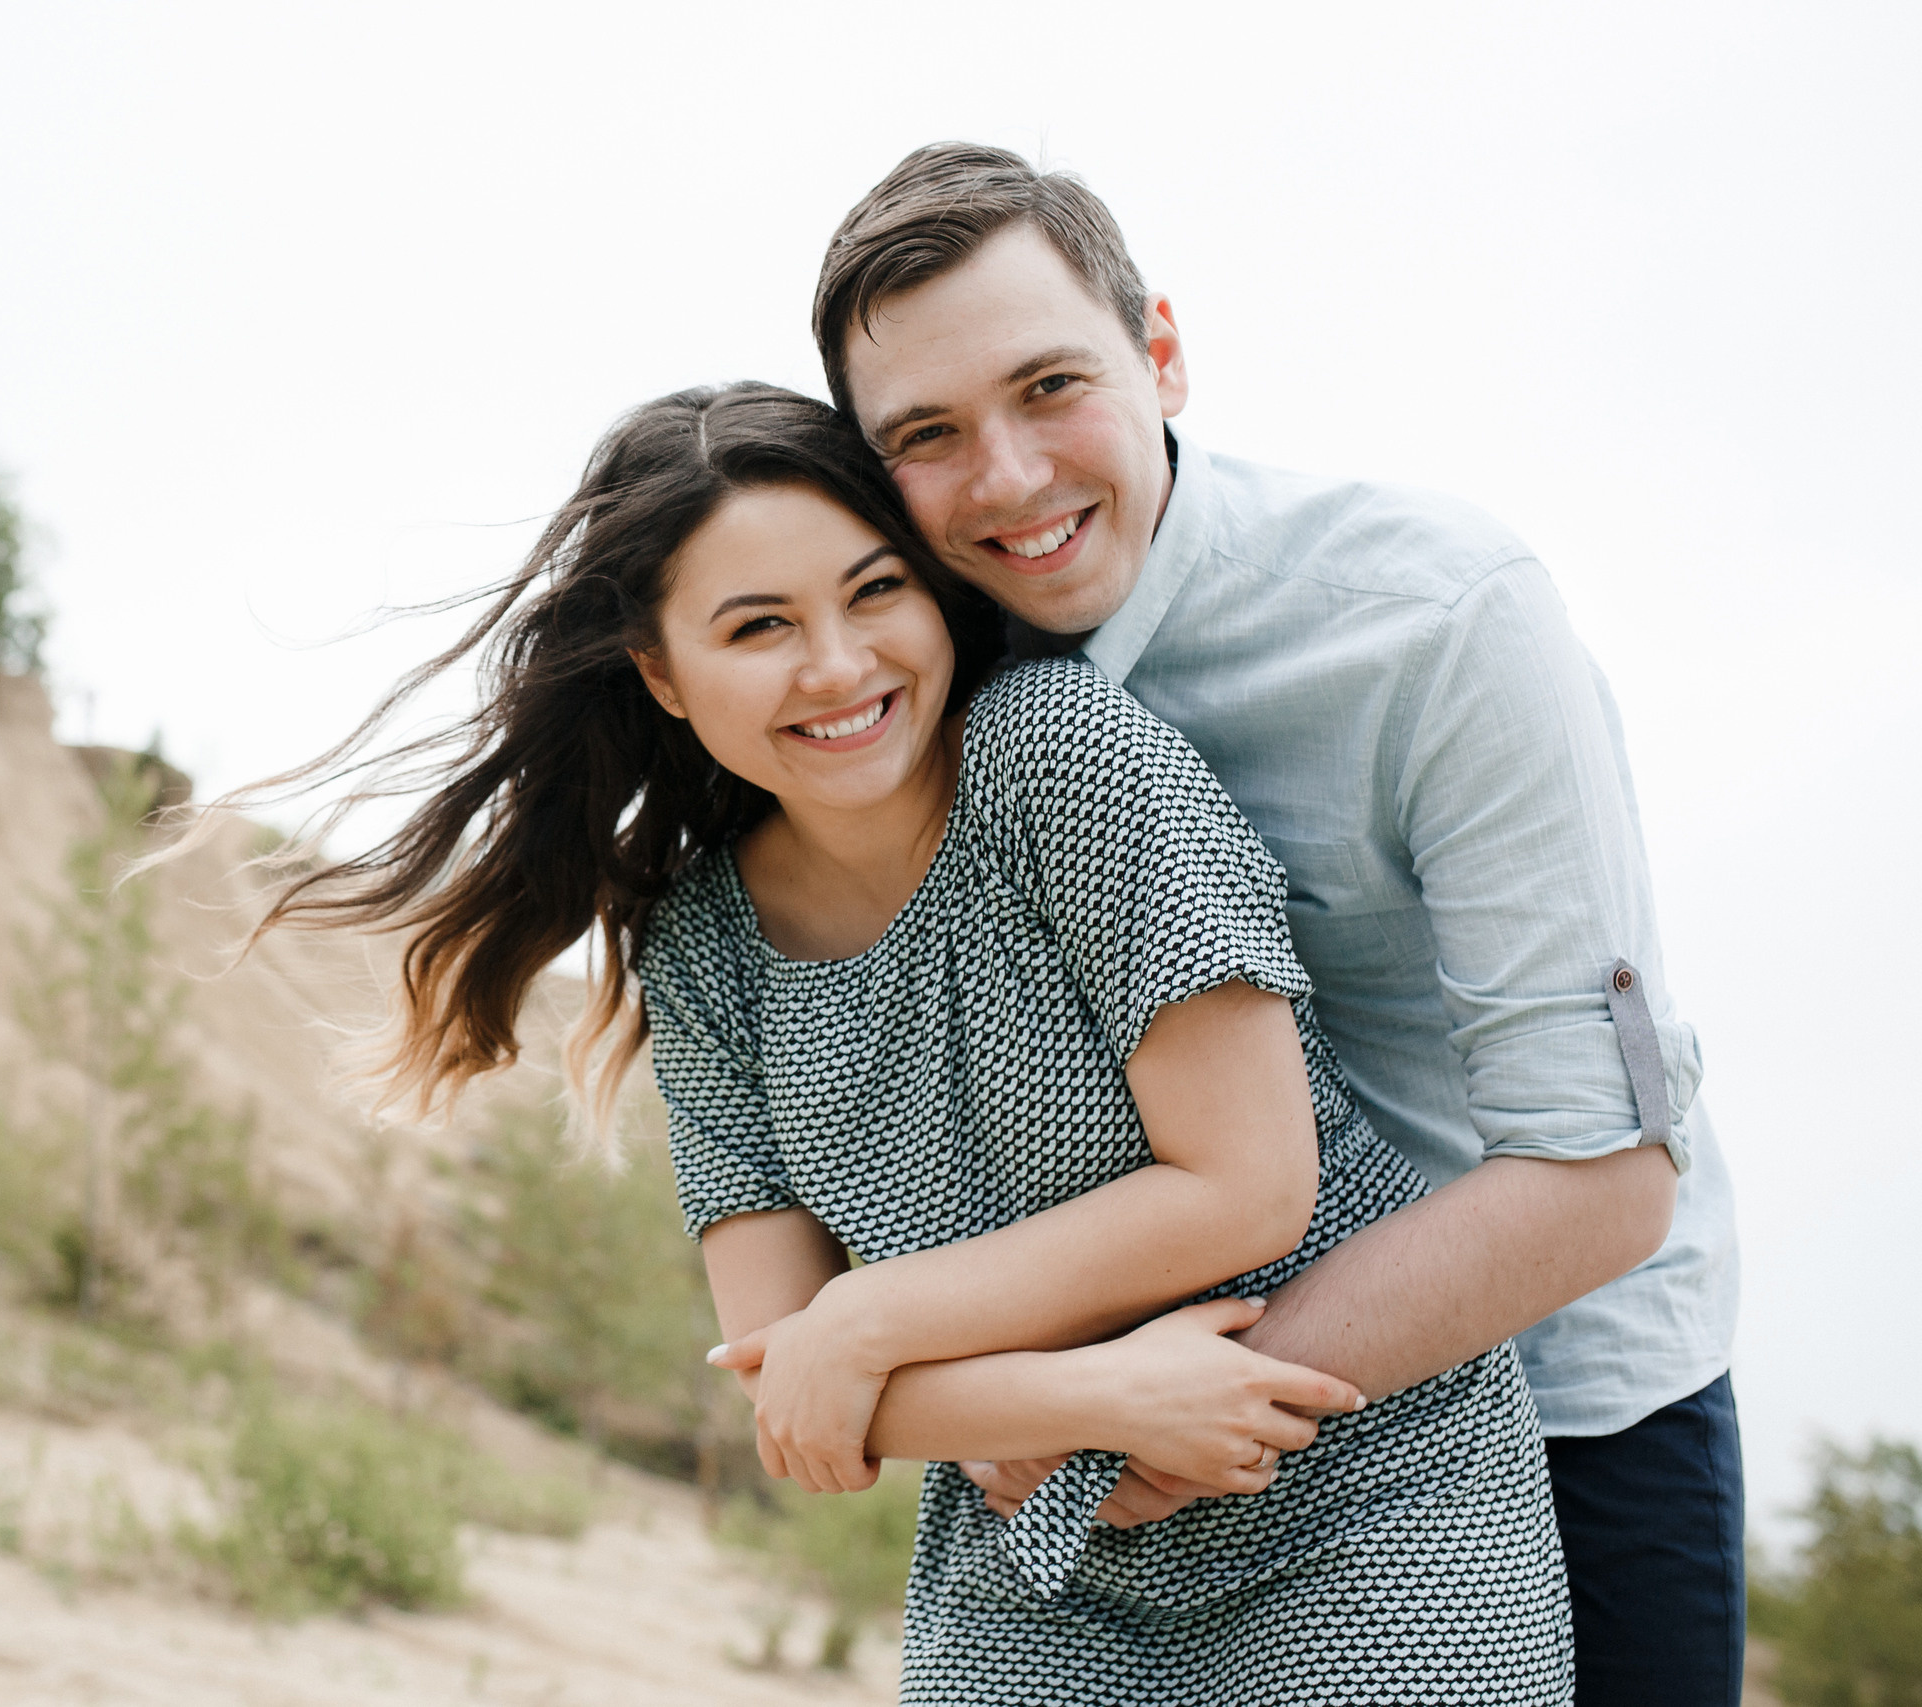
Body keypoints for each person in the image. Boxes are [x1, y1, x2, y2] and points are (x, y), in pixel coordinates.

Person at [174, 383, 1572, 1701]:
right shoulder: (703, 947)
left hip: (1350, 1480)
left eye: (876, 590)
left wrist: (873, 1320)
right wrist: (1095, 1396)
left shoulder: (1060, 756)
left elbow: (1249, 1185)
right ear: (663, 675)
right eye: (759, 626)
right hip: (1033, 1548)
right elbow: (792, 1394)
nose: (839, 665)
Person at [793, 142, 1741, 1706]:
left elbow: (1602, 1180)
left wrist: (1137, 1426)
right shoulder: (900, 675)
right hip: (1123, 1428)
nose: (1011, 478)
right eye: (929, 437)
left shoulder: (1441, 622)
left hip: (1563, 1411)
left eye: (1052, 387)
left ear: (1160, 350)